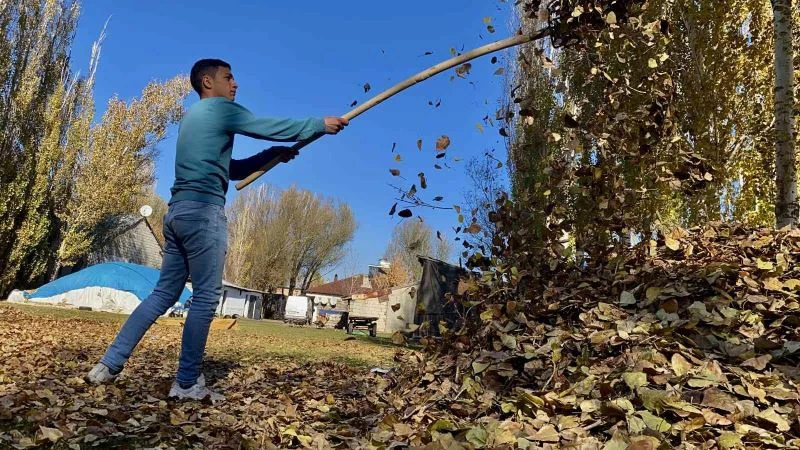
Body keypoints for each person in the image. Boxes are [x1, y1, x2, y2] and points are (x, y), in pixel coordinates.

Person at [86, 59, 348, 401]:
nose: (235, 84)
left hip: (177, 213)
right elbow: (265, 125)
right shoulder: (221, 109)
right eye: (229, 77)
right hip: (202, 214)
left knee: (162, 295)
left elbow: (230, 169)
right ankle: (186, 382)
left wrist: (272, 156)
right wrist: (317, 125)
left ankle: (107, 365)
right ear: (208, 83)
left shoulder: (193, 119)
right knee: (207, 298)